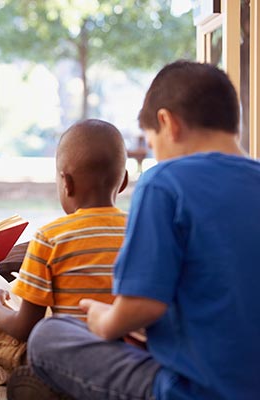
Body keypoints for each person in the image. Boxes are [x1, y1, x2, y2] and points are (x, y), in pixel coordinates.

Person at [27, 60, 260, 400]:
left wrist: (105, 320)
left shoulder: (164, 183)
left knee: (49, 334)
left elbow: (143, 306)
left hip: (191, 389)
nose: (156, 155)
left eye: (153, 143)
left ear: (167, 123)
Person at [0, 119, 129, 387]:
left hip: (69, 355)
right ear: (123, 181)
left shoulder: (51, 236)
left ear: (66, 183)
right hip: (127, 354)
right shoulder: (141, 231)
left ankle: (3, 367)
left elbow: (25, 327)